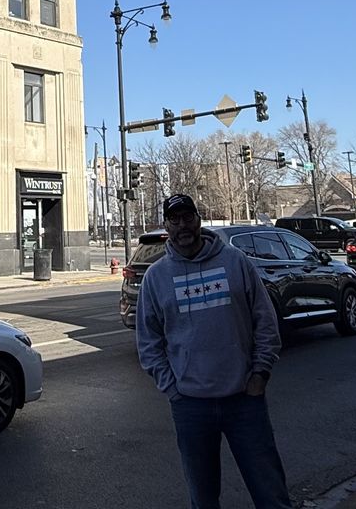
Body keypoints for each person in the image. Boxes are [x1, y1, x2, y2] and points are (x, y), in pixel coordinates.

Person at [136, 193, 292, 509]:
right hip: (191, 406)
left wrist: (260, 374)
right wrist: (173, 389)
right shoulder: (156, 277)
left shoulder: (235, 261)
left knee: (270, 493)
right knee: (203, 498)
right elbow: (148, 341)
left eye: (188, 217)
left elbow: (265, 320)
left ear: (198, 219)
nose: (183, 225)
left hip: (244, 400)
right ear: (166, 226)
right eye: (174, 220)